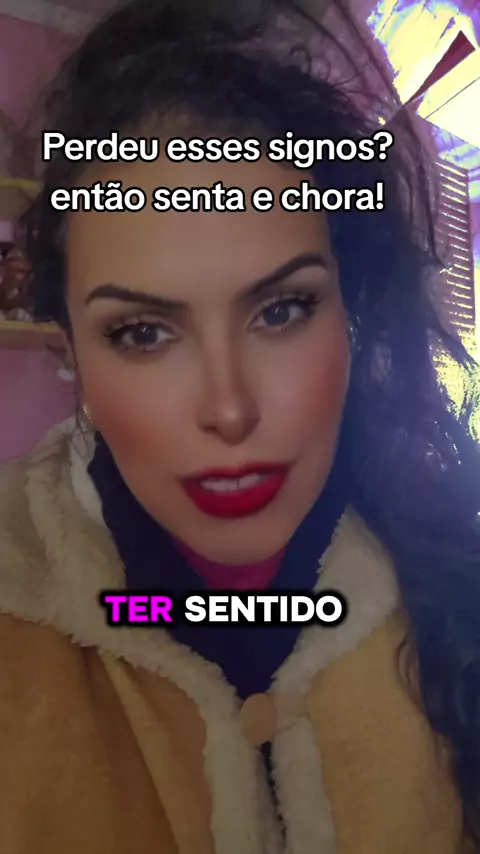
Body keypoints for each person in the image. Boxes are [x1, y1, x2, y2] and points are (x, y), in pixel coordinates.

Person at [1, 1, 479, 852]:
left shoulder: (451, 569)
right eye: (142, 333)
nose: (228, 408)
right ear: (72, 353)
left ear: (349, 318)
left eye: (281, 310)